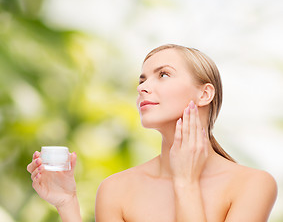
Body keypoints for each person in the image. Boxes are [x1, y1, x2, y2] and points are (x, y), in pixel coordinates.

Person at [27, 44, 278, 222]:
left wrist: (185, 182)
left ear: (205, 94)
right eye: (142, 80)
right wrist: (66, 203)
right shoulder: (116, 189)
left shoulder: (253, 185)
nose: (143, 88)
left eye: (164, 74)